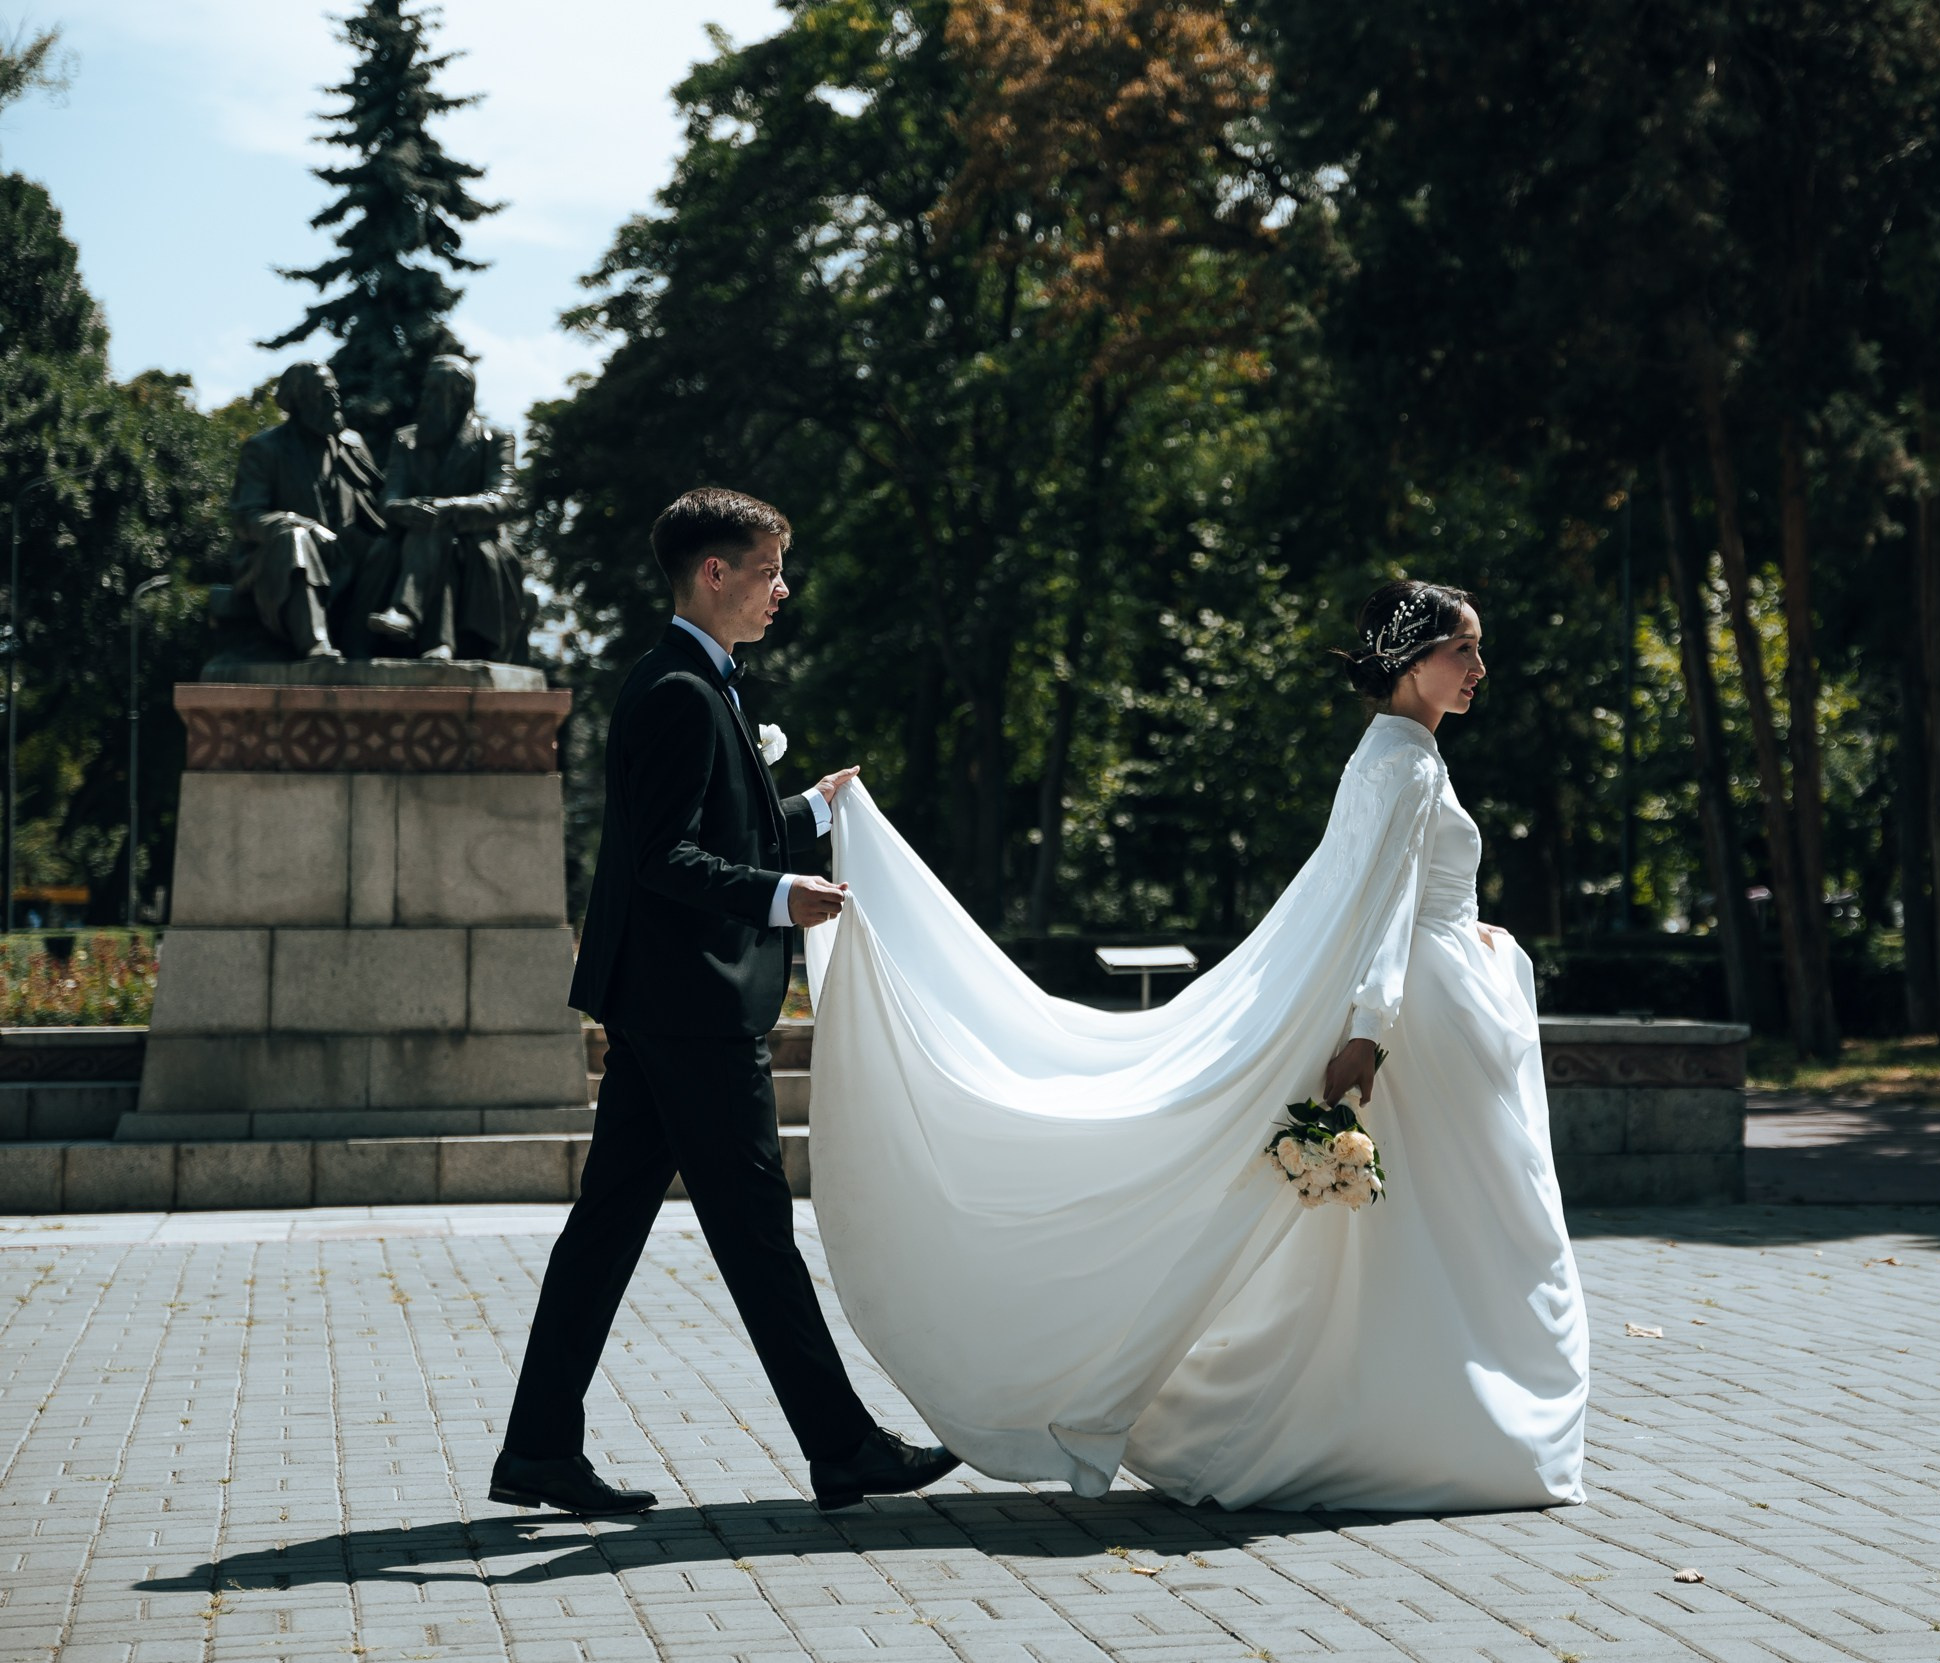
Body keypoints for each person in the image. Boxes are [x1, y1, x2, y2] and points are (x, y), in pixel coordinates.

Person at [801, 579, 1588, 1511]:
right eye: (1466, 650)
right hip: (1420, 1030)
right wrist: (1369, 1032)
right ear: (1415, 658)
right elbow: (1379, 913)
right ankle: (1448, 1422)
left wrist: (1469, 931)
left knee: (1429, 1236)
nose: (1480, 669)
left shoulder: (1392, 754)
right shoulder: (1407, 763)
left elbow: (1397, 894)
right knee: (1473, 1229)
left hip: (1443, 1010)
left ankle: (1423, 1411)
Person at [492, 488, 959, 1518]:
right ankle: (843, 1448)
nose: (781, 590)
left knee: (609, 1226)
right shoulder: (676, 691)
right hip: (690, 1006)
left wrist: (806, 812)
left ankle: (536, 1448)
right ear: (715, 573)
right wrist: (780, 896)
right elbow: (664, 857)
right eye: (768, 569)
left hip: (669, 1003)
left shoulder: (698, 683)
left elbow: (718, 832)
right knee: (753, 1230)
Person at [354, 355, 531, 664]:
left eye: (436, 391)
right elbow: (389, 499)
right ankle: (435, 641)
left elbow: (504, 498)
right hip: (413, 540)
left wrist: (449, 508)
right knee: (430, 532)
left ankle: (408, 614)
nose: (426, 399)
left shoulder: (496, 439)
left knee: (439, 531)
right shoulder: (405, 439)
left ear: (461, 395)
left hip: (477, 541)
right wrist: (406, 509)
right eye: (427, 389)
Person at [226, 362, 383, 661]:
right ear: (299, 402)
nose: (336, 401)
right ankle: (316, 642)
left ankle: (361, 643)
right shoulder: (265, 449)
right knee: (294, 540)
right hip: (278, 559)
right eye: (325, 395)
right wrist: (305, 527)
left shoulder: (352, 445)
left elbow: (373, 508)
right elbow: (247, 518)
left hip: (344, 555)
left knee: (387, 549)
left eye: (336, 392)